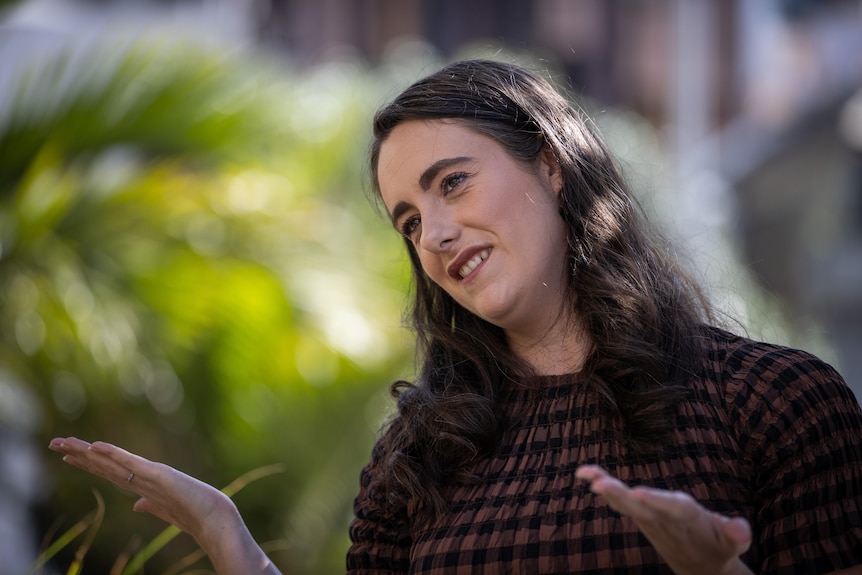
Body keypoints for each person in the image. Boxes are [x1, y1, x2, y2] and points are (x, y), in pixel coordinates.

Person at [50, 59, 862, 575]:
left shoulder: (778, 401)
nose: (432, 234)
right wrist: (236, 544)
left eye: (452, 183)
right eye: (407, 218)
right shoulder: (418, 454)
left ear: (550, 165)